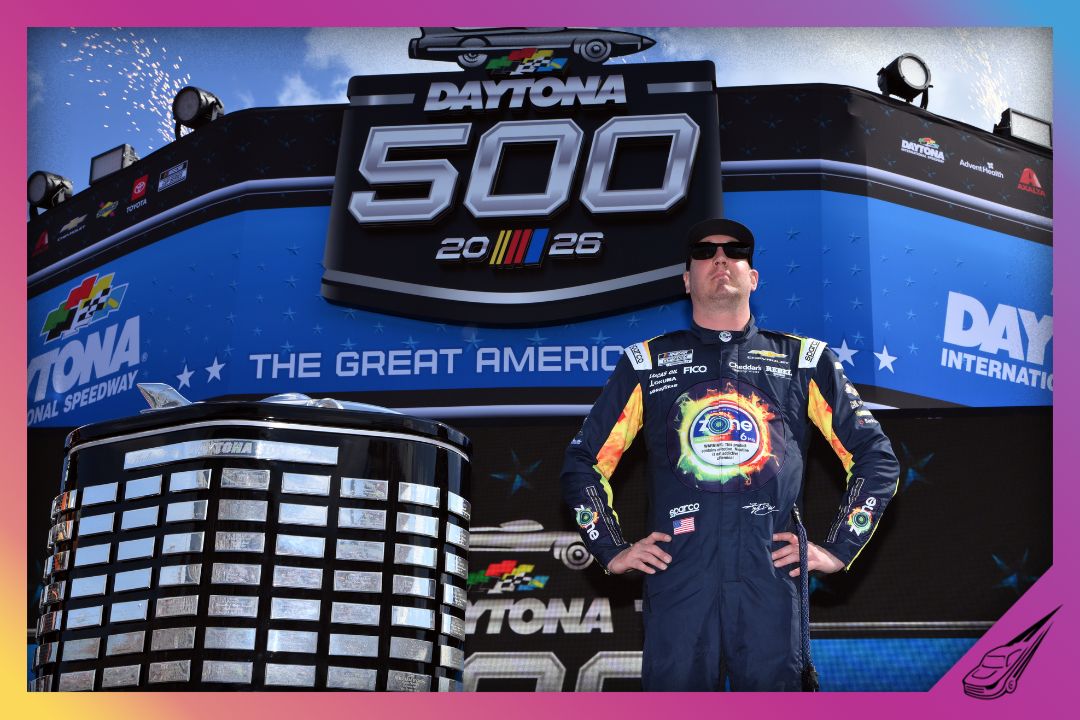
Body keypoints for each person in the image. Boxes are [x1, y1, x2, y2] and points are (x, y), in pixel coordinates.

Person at [561, 218, 900, 691]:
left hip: (770, 579)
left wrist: (840, 547)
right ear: (686, 280)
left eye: (735, 251)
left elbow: (875, 457)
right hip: (679, 580)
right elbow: (584, 461)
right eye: (703, 251)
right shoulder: (646, 361)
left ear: (753, 277)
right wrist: (610, 548)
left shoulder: (804, 359)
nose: (719, 258)